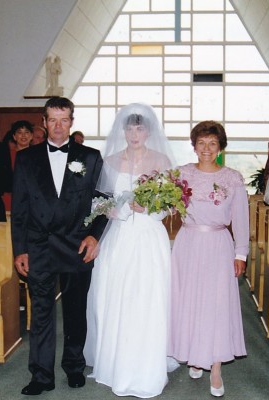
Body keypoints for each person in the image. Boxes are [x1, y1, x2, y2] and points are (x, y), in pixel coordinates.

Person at [11, 96, 106, 396]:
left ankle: (74, 366)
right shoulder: (27, 159)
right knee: (41, 313)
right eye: (52, 119)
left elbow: (101, 202)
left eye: (64, 119)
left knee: (75, 311)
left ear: (72, 122)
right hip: (39, 246)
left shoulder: (90, 157)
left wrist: (95, 236)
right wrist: (20, 249)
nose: (58, 126)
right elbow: (20, 208)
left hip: (77, 245)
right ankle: (41, 375)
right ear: (44, 121)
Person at [84, 103, 179, 398]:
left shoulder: (161, 160)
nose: (134, 133)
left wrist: (151, 206)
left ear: (149, 131)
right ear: (122, 130)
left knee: (147, 298)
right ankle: (114, 362)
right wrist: (110, 209)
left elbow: (171, 205)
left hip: (149, 238)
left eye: (140, 128)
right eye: (129, 127)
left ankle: (146, 365)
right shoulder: (110, 161)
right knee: (113, 296)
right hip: (118, 239)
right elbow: (97, 202)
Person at [168, 121, 249, 398]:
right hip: (188, 243)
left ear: (220, 147)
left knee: (215, 304)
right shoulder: (180, 174)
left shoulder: (233, 178)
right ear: (194, 145)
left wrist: (241, 253)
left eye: (212, 143)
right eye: (201, 143)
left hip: (218, 245)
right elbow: (164, 205)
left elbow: (240, 219)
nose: (206, 148)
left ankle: (215, 367)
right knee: (189, 301)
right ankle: (195, 356)